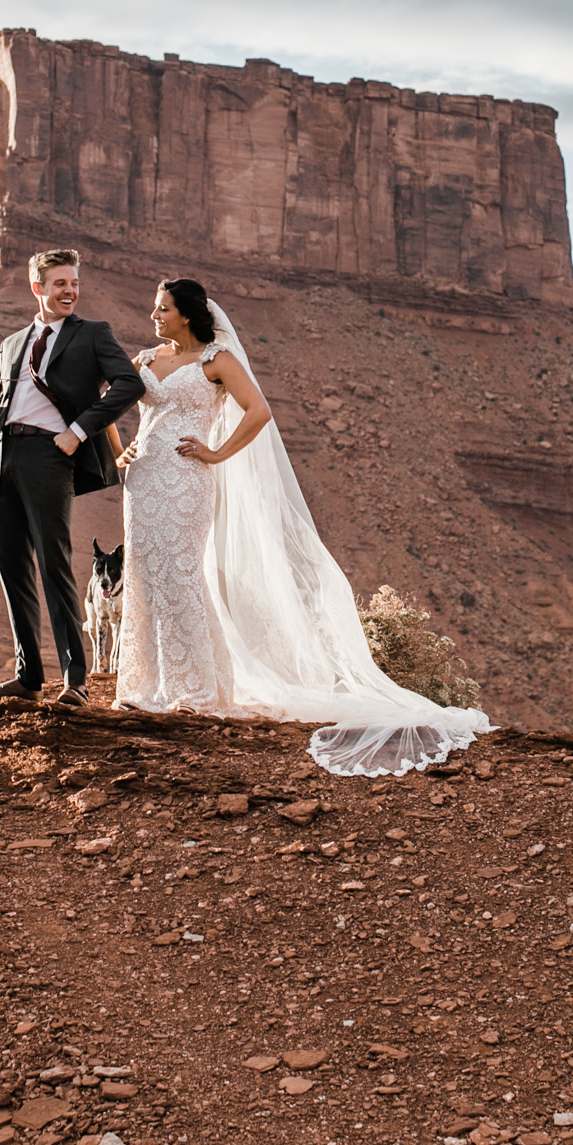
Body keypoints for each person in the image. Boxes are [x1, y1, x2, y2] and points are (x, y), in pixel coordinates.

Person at [112, 278, 491, 776]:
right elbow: (105, 408)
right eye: (154, 307)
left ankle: (195, 689)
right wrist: (122, 453)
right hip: (143, 484)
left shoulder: (217, 361)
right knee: (144, 572)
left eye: (163, 308)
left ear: (187, 313)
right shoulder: (145, 359)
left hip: (187, 480)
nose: (154, 315)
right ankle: (145, 687)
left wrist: (217, 454)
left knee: (182, 573)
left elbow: (260, 411)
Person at [0, 248, 142, 706]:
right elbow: (1, 414)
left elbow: (129, 383)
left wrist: (77, 432)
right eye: (60, 284)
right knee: (12, 569)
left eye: (73, 284)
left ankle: (76, 682)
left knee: (54, 567)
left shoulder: (93, 334)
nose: (69, 291)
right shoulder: (14, 344)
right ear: (38, 287)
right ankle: (27, 679)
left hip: (50, 457)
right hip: (2, 459)